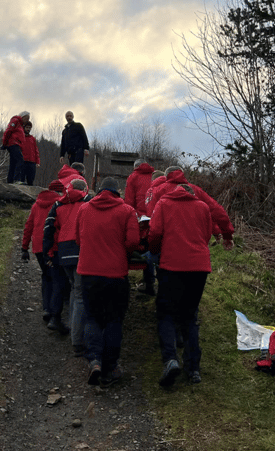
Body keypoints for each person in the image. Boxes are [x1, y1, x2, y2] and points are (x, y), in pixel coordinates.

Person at [148, 184, 218, 386]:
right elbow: (206, 235)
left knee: (166, 313)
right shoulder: (203, 207)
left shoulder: (164, 203)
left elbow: (155, 233)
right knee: (190, 315)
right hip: (199, 267)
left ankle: (170, 359)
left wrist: (155, 251)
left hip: (172, 265)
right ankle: (194, 369)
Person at [75, 177, 140, 387]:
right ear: (117, 192)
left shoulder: (84, 209)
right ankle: (110, 367)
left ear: (99, 190)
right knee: (113, 320)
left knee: (93, 317)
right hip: (115, 274)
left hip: (88, 272)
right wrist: (121, 252)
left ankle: (94, 360)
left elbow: (78, 239)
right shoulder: (127, 211)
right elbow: (133, 241)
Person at [43, 178, 91, 356]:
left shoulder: (59, 204)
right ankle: (77, 338)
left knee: (73, 289)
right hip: (80, 249)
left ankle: (72, 324)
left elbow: (48, 228)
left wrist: (49, 251)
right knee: (80, 294)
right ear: (84, 189)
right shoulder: (87, 202)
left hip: (63, 251)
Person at [147, 167, 235, 250]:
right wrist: (227, 235)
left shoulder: (157, 191)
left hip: (167, 243)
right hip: (196, 242)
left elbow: (152, 219)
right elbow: (217, 212)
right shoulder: (195, 190)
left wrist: (153, 246)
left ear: (165, 177)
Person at [22, 180, 65, 323]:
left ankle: (46, 308)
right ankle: (54, 311)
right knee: (56, 278)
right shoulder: (60, 204)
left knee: (46, 276)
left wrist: (24, 247)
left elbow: (29, 226)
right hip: (53, 246)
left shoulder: (36, 205)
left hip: (38, 247)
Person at [124, 159, 157, 294]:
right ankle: (149, 283)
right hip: (154, 217)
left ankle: (123, 280)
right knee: (151, 248)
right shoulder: (154, 175)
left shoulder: (133, 177)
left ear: (135, 167)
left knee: (133, 246)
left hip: (139, 219)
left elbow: (129, 200)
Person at [2, 111, 30, 184]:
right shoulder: (15, 120)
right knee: (20, 160)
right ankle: (16, 179)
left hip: (16, 144)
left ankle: (10, 180)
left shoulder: (20, 125)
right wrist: (4, 143)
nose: (27, 121)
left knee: (13, 162)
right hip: (13, 144)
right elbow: (8, 130)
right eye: (27, 118)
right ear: (23, 117)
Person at [20, 121, 40, 186]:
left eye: (29, 127)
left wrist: (37, 162)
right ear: (24, 128)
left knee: (31, 181)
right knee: (21, 180)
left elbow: (36, 150)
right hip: (23, 161)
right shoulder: (20, 137)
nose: (28, 129)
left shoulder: (32, 139)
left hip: (32, 162)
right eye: (27, 127)